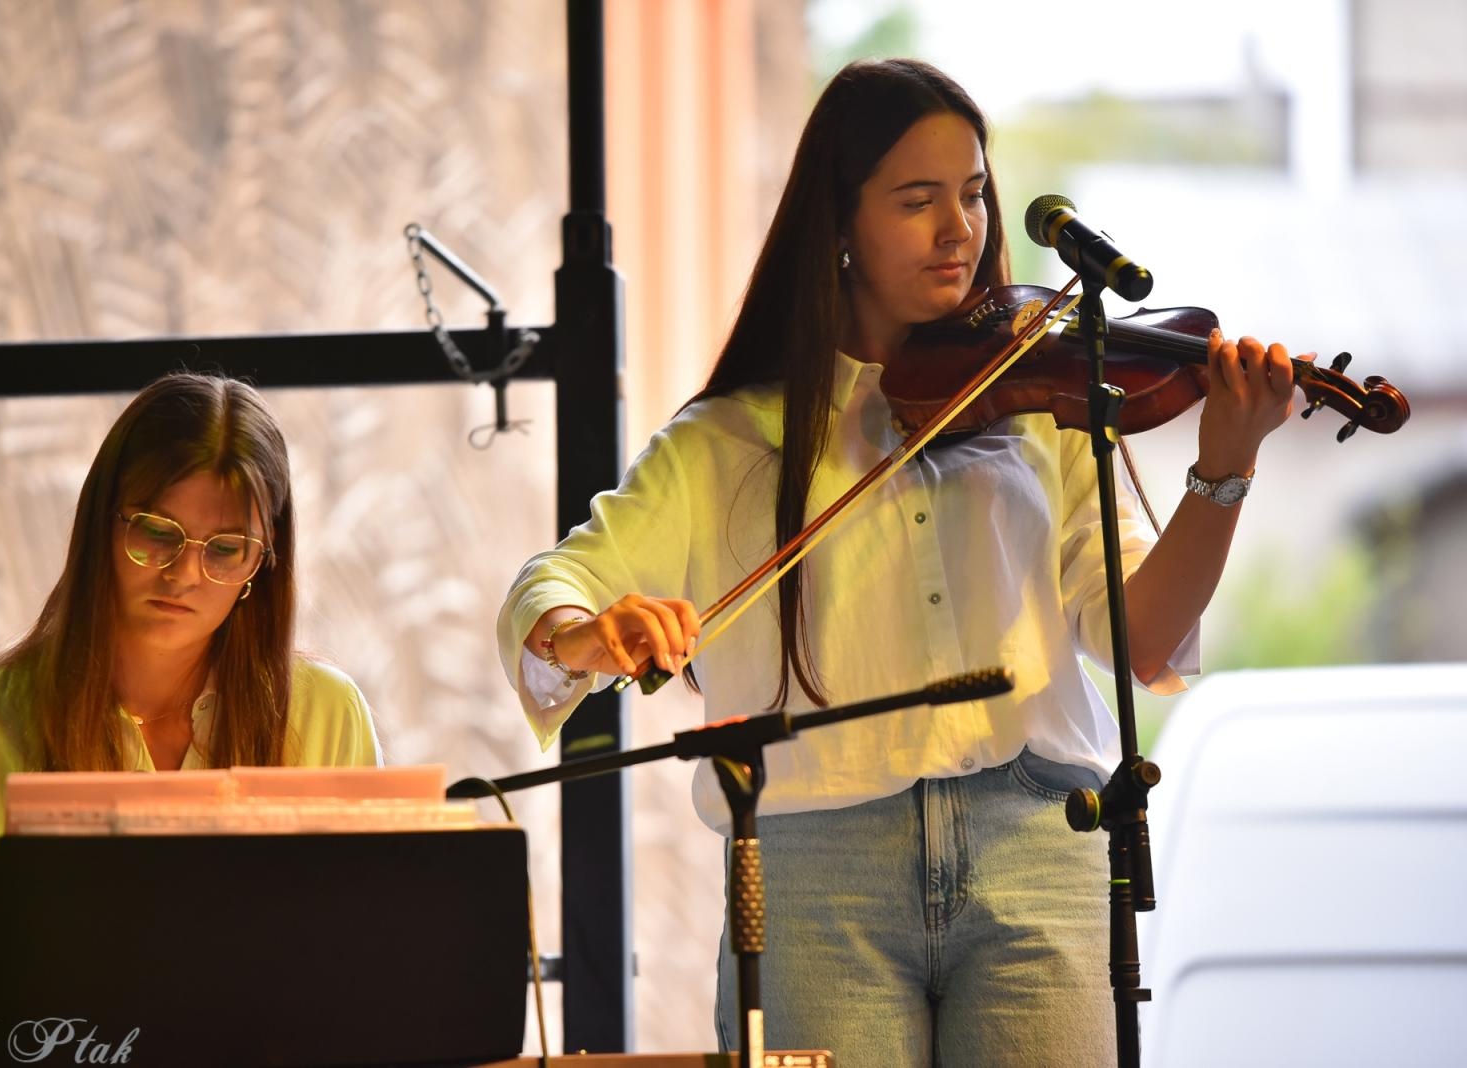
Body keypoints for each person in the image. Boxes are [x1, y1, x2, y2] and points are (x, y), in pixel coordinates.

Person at [497, 59, 1303, 1064]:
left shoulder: (1036, 408)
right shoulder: (728, 442)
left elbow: (1140, 640)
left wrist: (1221, 472)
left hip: (1035, 838)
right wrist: (586, 632)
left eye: (970, 195)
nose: (958, 228)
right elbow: (554, 582)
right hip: (817, 868)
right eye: (917, 201)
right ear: (839, 225)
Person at [0, 373, 382, 1062]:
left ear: (260, 568)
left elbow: (362, 963)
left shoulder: (326, 714)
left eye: (224, 550)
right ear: (102, 524)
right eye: (157, 532)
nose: (183, 574)